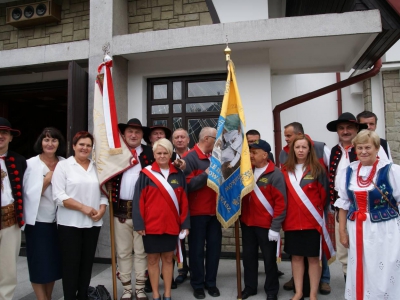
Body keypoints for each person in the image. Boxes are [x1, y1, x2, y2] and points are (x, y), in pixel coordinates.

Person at [334, 130, 400, 300]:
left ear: (377, 148)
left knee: (384, 267)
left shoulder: (391, 171)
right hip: (357, 228)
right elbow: (343, 204)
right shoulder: (349, 171)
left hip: (385, 229)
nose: (363, 151)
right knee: (361, 267)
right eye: (360, 147)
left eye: (368, 147)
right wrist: (342, 232)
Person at [52, 131, 108, 300]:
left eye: (88, 145)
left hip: (92, 224)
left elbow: (103, 193)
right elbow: (58, 196)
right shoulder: (63, 166)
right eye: (81, 144)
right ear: (74, 146)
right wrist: (83, 207)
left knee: (86, 264)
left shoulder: (96, 167)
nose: (85, 148)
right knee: (71, 265)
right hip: (69, 224)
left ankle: (83, 295)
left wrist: (102, 209)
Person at [133, 138, 190, 300]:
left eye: (166, 153)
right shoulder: (146, 174)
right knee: (152, 260)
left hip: (172, 225)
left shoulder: (178, 174)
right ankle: (156, 295)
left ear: (171, 154)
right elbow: (138, 200)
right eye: (159, 153)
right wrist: (139, 223)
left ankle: (167, 294)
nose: (162, 156)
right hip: (150, 226)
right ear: (154, 154)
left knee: (167, 259)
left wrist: (185, 224)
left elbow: (184, 201)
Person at [280, 122, 331, 295]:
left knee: (314, 259)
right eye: (297, 147)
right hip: (292, 222)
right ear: (292, 149)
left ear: (309, 149)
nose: (301, 150)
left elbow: (324, 196)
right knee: (296, 258)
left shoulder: (318, 170)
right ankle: (299, 292)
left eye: (304, 147)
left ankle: (313, 294)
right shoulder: (285, 170)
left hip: (312, 223)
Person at [107, 118, 154, 300]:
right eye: (130, 132)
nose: (133, 135)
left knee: (142, 252)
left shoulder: (150, 153)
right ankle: (127, 289)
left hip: (144, 212)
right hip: (120, 211)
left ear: (142, 135)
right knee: (123, 252)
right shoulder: (116, 153)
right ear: (124, 134)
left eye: (137, 132)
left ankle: (140, 288)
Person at [240, 139, 286, 300]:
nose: (251, 155)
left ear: (265, 155)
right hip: (247, 223)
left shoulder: (276, 174)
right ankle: (250, 287)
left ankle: (271, 290)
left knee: (269, 260)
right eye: (250, 152)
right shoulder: (247, 171)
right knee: (249, 258)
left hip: (267, 226)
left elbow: (281, 203)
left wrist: (275, 227)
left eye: (254, 152)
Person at [23, 127, 65, 300]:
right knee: (38, 263)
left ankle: (48, 297)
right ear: (41, 142)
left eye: (54, 140)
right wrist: (45, 182)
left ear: (59, 143)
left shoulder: (64, 163)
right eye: (46, 140)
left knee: (52, 264)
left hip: (59, 222)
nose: (50, 143)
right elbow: (25, 195)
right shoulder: (30, 164)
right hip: (37, 222)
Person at [326, 112, 367, 282]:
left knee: (364, 251)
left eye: (349, 127)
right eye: (341, 128)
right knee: (344, 252)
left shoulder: (365, 148)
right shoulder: (334, 151)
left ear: (357, 128)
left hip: (364, 211)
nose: (345, 131)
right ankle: (350, 289)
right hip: (340, 210)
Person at [183, 127, 221, 299]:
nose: (218, 142)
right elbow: (187, 186)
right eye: (216, 138)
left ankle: (211, 283)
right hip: (197, 213)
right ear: (207, 138)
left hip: (215, 212)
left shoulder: (216, 156)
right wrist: (206, 174)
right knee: (197, 251)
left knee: (214, 249)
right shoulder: (189, 158)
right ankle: (197, 284)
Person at [0, 117, 27, 300]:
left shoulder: (19, 161)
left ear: (10, 137)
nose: (1, 136)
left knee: (8, 267)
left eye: (4, 133)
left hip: (10, 219)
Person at [172, 128, 190, 284]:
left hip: (194, 202)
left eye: (182, 137)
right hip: (175, 205)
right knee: (178, 239)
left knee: (195, 239)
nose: (179, 140)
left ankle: (197, 269)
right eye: (176, 137)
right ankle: (182, 269)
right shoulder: (167, 156)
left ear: (188, 140)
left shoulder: (194, 155)